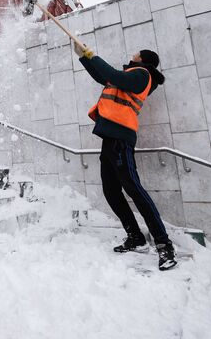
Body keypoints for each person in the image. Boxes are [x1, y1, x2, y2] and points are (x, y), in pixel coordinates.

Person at [74, 41, 176, 271]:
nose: (133, 53)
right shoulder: (129, 74)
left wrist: (93, 53)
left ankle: (164, 244)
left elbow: (113, 75)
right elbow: (104, 78)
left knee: (134, 190)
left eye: (137, 53)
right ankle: (135, 237)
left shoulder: (142, 75)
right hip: (110, 138)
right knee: (111, 191)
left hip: (121, 139)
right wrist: (83, 57)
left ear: (143, 59)